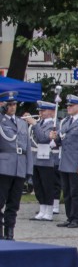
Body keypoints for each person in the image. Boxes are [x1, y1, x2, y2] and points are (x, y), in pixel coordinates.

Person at [51, 94, 78, 229]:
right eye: (68, 105)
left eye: (71, 105)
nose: (68, 108)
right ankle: (70, 217)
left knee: (76, 192)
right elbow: (61, 140)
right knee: (68, 192)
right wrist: (55, 138)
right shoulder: (66, 122)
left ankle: (77, 218)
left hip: (76, 163)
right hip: (64, 162)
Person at [0, 90, 31, 240]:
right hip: (4, 167)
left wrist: (28, 169)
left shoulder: (21, 123)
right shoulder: (1, 121)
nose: (13, 107)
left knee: (14, 203)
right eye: (9, 104)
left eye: (14, 104)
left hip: (19, 167)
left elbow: (28, 148)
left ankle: (9, 231)